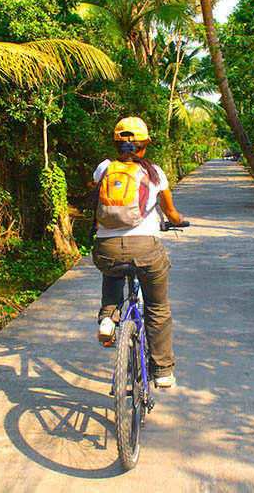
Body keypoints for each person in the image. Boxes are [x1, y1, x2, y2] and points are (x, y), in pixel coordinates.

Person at [92, 116, 185, 389]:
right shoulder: (155, 172)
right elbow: (171, 212)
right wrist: (178, 221)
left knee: (112, 269)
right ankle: (163, 371)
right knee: (157, 308)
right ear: (144, 146)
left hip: (106, 248)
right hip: (146, 248)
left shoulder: (104, 168)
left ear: (116, 144)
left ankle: (108, 319)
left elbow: (98, 195)